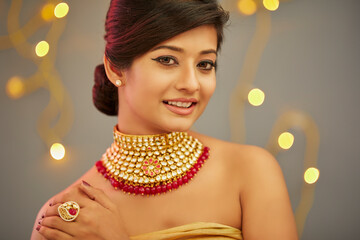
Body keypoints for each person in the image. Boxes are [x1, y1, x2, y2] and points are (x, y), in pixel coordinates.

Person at [31, 0, 298, 239]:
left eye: (205, 64)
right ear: (115, 68)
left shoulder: (251, 171)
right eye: (168, 60)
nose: (191, 84)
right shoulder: (67, 217)